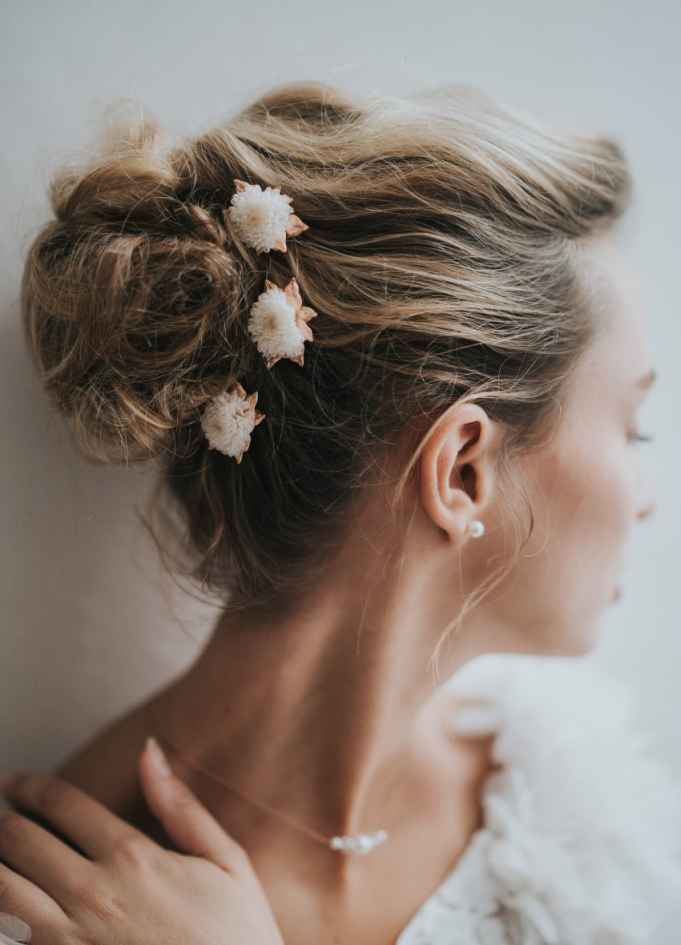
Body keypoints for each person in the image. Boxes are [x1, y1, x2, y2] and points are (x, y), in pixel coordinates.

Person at [1, 79, 680, 945]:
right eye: (632, 425)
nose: (647, 497)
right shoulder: (45, 911)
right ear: (463, 469)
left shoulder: (586, 816)